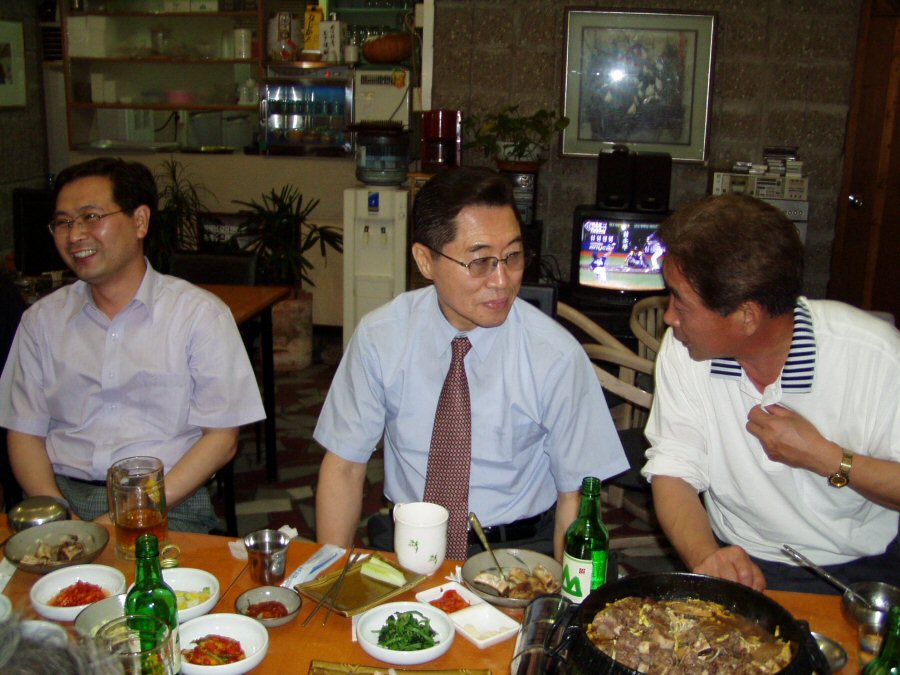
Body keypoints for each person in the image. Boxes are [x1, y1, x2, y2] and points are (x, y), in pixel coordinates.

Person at [314, 166, 628, 559]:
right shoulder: (382, 337)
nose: (502, 280)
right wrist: (328, 572)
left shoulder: (555, 356)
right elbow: (344, 466)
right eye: (480, 262)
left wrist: (565, 590)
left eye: (513, 256)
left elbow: (575, 498)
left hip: (516, 551)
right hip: (410, 541)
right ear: (425, 261)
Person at [642, 193, 900, 593]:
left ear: (747, 315)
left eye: (681, 302)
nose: (669, 317)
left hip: (863, 565)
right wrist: (706, 558)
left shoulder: (874, 355)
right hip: (740, 554)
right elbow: (674, 468)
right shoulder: (685, 350)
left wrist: (825, 457)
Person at [0, 157, 264, 533]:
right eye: (63, 222)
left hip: (167, 501)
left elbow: (222, 439)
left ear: (140, 221)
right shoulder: (41, 321)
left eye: (91, 217)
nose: (74, 236)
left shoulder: (199, 315)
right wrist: (59, 518)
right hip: (62, 496)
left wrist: (127, 513)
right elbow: (24, 432)